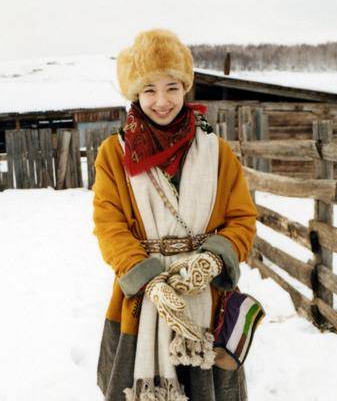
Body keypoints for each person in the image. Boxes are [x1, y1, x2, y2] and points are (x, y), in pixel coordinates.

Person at [92, 28, 257, 401]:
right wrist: (150, 281)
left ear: (186, 88)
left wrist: (214, 260)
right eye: (149, 89)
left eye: (172, 87)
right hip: (142, 303)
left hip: (206, 299)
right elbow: (109, 225)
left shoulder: (217, 152)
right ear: (135, 93)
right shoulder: (113, 154)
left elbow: (242, 218)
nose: (162, 101)